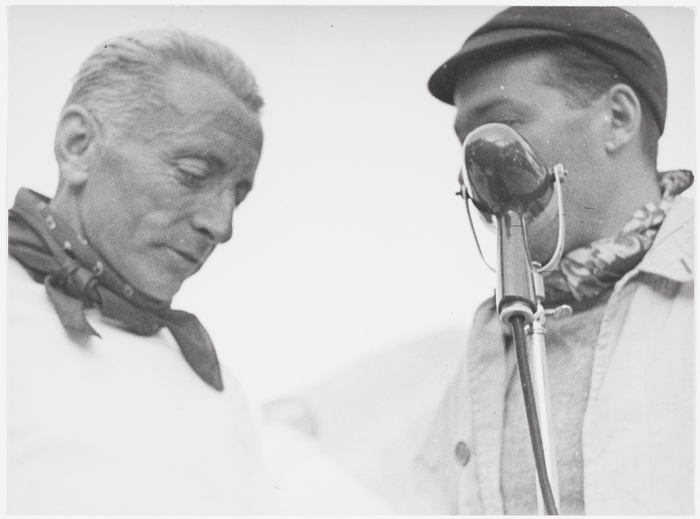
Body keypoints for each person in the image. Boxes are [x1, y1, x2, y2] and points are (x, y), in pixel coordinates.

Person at [411, 7, 694, 515]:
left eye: (505, 126)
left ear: (618, 119)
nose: (479, 169)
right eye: (466, 143)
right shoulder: (484, 357)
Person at [7, 29, 267, 514]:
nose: (222, 224)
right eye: (193, 173)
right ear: (78, 145)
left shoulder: (219, 392)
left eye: (238, 195)